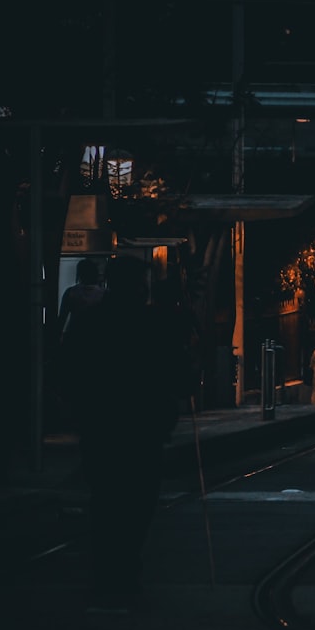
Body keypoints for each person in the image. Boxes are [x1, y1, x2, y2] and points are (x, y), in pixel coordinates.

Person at [61, 256, 191, 611]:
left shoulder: (90, 323)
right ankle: (126, 565)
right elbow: (178, 372)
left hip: (101, 425)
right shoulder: (155, 323)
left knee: (105, 497)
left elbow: (69, 368)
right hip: (143, 427)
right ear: (139, 286)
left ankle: (107, 569)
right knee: (138, 499)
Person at [57, 257, 105, 343]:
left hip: (74, 335)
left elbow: (62, 318)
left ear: (80, 274)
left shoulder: (70, 292)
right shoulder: (103, 294)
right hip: (96, 336)